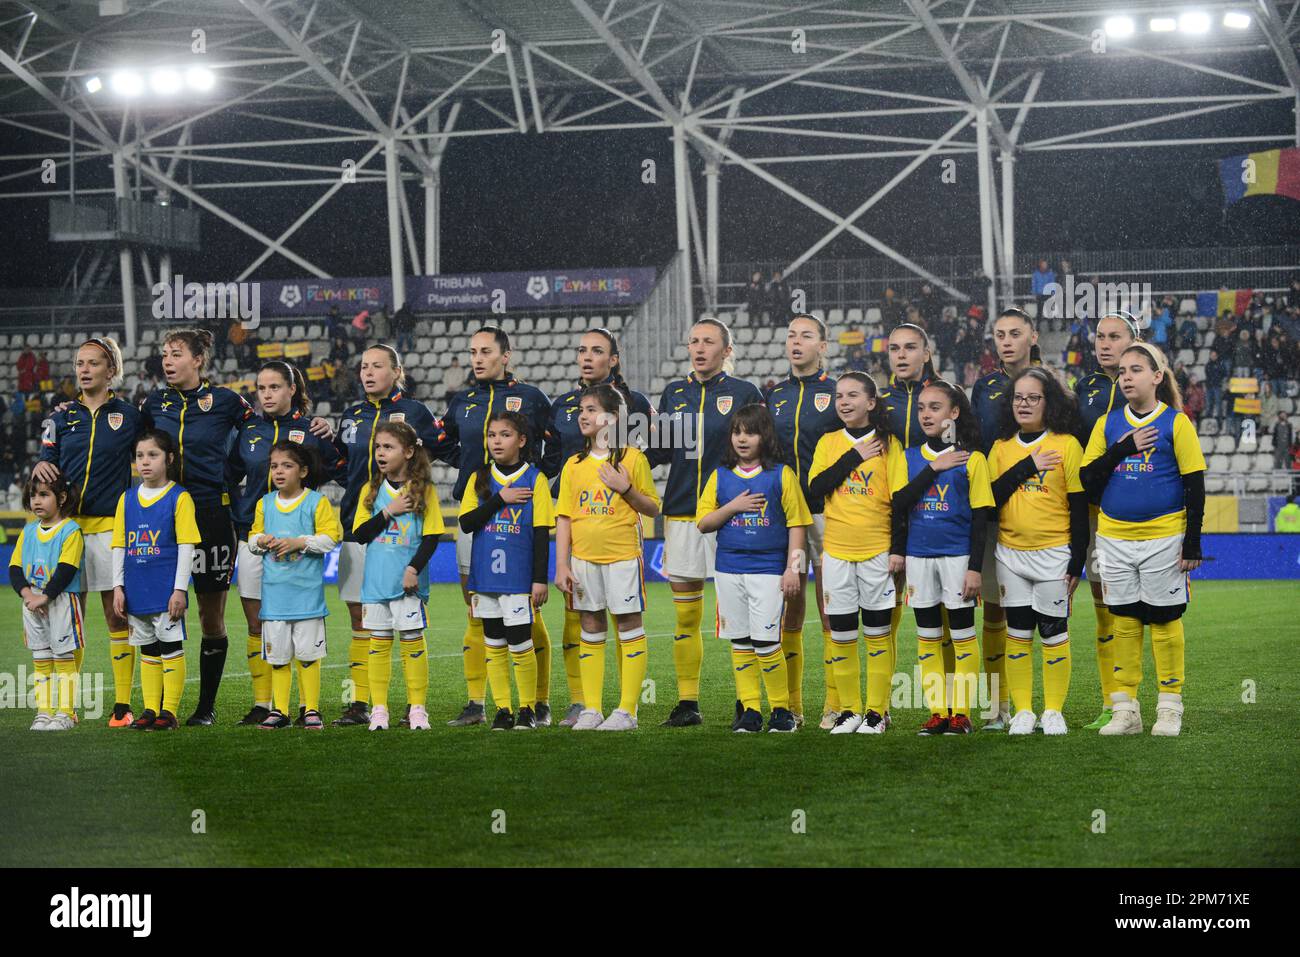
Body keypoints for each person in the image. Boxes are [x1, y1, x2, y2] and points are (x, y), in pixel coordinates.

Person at [1080, 343, 1205, 737]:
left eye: (1136, 369)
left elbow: (1195, 485)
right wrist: (1124, 447)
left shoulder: (1176, 423)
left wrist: (1193, 543)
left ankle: (1169, 708)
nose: (1127, 377)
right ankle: (1126, 710)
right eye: (1122, 371)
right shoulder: (1108, 424)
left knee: (1166, 620)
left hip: (1164, 537)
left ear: (1156, 377)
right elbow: (1087, 480)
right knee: (1125, 621)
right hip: (1113, 538)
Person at [648, 317, 764, 727]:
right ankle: (687, 704)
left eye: (708, 342)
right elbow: (660, 452)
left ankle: (746, 702)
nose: (698, 348)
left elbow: (760, 451)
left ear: (726, 351)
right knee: (685, 616)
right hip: (680, 513)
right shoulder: (673, 393)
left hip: (730, 514)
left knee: (737, 613)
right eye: (694, 341)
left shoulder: (745, 393)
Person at [441, 327, 557, 727]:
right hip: (481, 517)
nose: (477, 358)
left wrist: (539, 473)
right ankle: (481, 704)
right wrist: (470, 463)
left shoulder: (531, 398)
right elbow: (441, 442)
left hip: (522, 521)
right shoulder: (463, 401)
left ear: (506, 356)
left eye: (485, 351)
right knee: (480, 616)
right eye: (472, 351)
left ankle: (537, 702)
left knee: (528, 620)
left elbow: (556, 442)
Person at [140, 329, 256, 726]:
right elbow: (132, 445)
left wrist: (231, 474)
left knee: (210, 616)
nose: (167, 361)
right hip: (164, 516)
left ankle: (205, 708)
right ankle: (157, 707)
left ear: (199, 359)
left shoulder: (226, 401)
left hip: (212, 514)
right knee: (159, 609)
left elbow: (260, 437)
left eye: (175, 354)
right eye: (164, 354)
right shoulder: (154, 403)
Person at [227, 361, 346, 726]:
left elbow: (341, 468)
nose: (266, 394)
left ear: (292, 389)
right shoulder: (247, 430)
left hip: (298, 541)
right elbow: (230, 475)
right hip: (254, 537)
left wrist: (333, 438)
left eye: (275, 387)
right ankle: (265, 704)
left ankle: (306, 705)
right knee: (257, 624)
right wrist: (239, 517)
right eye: (261, 388)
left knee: (302, 622)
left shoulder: (311, 430)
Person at [33, 337, 144, 727]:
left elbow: (151, 457)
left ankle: (123, 706)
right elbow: (46, 461)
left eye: (93, 363)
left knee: (117, 617)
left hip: (112, 529)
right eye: (80, 362)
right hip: (68, 530)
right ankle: (65, 709)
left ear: (110, 370)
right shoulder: (62, 417)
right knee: (66, 621)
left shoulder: (130, 416)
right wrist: (40, 467)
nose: (83, 369)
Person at [549, 328, 652, 726]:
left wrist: (625, 488)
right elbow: (564, 517)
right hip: (583, 559)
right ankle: (591, 707)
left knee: (628, 625)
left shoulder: (633, 459)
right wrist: (562, 565)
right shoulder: (573, 465)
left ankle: (627, 709)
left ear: (615, 417)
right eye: (582, 411)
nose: (584, 416)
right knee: (590, 624)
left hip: (623, 556)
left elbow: (651, 507)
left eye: (592, 410)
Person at [888, 381, 995, 735]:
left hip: (957, 558)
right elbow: (899, 503)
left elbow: (981, 518)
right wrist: (934, 468)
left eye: (935, 407)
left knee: (963, 635)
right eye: (921, 408)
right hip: (919, 558)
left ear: (954, 412)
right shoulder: (909, 457)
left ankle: (961, 713)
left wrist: (975, 569)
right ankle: (938, 712)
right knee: (928, 636)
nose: (926, 414)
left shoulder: (973, 459)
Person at [696, 404, 810, 733]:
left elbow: (797, 526)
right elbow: (703, 523)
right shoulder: (719, 476)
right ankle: (750, 710)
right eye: (737, 432)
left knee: (767, 642)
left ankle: (781, 710)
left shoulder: (781, 475)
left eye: (751, 432)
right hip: (729, 569)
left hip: (768, 570)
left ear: (765, 436)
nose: (742, 439)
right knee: (741, 641)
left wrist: (793, 570)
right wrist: (734, 506)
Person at [988, 368, 1088, 736]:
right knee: (1017, 632)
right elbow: (990, 499)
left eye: (1033, 398)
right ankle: (1024, 711)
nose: (1024, 404)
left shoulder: (1067, 445)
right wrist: (1028, 466)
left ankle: (1053, 711)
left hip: (1055, 554)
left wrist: (1077, 560)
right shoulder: (1000, 448)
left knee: (1053, 631)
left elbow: (1078, 507)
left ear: (1050, 403)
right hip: (1010, 555)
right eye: (1018, 398)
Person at [806, 372, 901, 735]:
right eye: (839, 396)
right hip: (837, 551)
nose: (843, 402)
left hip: (877, 550)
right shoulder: (829, 441)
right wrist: (853, 457)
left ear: (871, 403)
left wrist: (897, 550)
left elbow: (899, 500)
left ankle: (876, 713)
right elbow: (816, 488)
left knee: (877, 634)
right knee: (842, 633)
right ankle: (848, 711)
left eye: (852, 396)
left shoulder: (888, 444)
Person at [459, 411, 554, 731]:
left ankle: (527, 708)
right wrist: (499, 499)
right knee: (494, 643)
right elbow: (466, 523)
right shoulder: (479, 478)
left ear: (522, 440)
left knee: (520, 642)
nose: (497, 441)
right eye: (492, 435)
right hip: (485, 576)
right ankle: (503, 709)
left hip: (517, 577)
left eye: (505, 435)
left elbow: (541, 533)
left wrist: (539, 579)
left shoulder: (535, 479)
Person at [968, 306, 1040, 729]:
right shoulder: (985, 387)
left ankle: (1039, 705)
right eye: (1000, 334)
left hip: (1039, 511)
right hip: (995, 510)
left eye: (1016, 333)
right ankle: (998, 707)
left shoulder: (1052, 386)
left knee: (1037, 615)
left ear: (1033, 337)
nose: (1007, 341)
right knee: (994, 611)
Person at [767, 315, 838, 728]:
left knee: (831, 608)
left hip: (828, 513)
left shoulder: (835, 393)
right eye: (791, 334)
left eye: (806, 335)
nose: (796, 341)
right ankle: (792, 707)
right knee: (789, 607)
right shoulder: (774, 395)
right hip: (786, 518)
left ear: (823, 346)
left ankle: (833, 704)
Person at [350, 422, 444, 732]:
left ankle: (418, 708)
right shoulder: (371, 491)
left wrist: (412, 569)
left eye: (388, 447)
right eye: (378, 447)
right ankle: (379, 710)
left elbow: (431, 537)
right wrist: (389, 510)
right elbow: (361, 534)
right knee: (378, 645)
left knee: (412, 642)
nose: (380, 452)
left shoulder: (424, 491)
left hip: (408, 585)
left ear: (408, 451)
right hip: (376, 584)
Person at [1073, 310, 1140, 730]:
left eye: (1114, 336)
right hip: (1093, 514)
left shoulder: (1151, 390)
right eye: (1099, 336)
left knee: (1132, 613)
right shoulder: (1084, 388)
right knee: (1104, 611)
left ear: (1133, 342)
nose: (1104, 343)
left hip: (1136, 515)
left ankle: (1132, 701)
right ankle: (1110, 703)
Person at [246, 442, 342, 730]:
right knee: (278, 657)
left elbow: (331, 538)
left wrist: (300, 541)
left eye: (286, 465)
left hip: (306, 598)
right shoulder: (264, 503)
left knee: (308, 655)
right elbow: (252, 539)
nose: (278, 471)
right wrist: (261, 541)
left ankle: (310, 709)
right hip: (275, 598)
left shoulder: (316, 502)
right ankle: (280, 711)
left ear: (302, 471)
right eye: (274, 466)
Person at [111, 430, 200, 731]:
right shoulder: (127, 499)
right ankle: (150, 709)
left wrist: (179, 590)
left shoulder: (180, 497)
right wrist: (118, 587)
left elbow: (187, 546)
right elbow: (120, 546)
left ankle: (170, 712)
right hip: (136, 587)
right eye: (139, 456)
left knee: (170, 646)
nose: (145, 462)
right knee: (147, 648)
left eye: (153, 455)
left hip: (165, 589)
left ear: (169, 458)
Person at [11, 471, 85, 732]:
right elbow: (15, 568)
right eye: (33, 495)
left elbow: (67, 568)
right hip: (33, 602)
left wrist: (46, 595)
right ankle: (44, 712)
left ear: (62, 497)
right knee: (41, 657)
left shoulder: (71, 531)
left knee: (63, 656)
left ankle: (65, 713)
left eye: (44, 494)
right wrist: (28, 595)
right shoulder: (29, 531)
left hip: (61, 600)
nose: (37, 501)